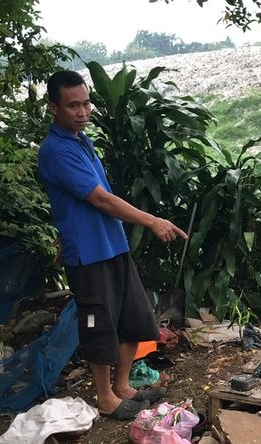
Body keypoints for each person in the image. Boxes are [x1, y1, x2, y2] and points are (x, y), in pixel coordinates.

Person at [38, 70, 187, 420]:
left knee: (133, 316)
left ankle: (123, 387)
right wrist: (152, 221)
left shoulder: (81, 141)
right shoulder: (57, 150)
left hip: (112, 243)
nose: (82, 111)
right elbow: (101, 200)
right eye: (72, 105)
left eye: (86, 102)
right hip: (88, 253)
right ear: (53, 108)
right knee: (99, 323)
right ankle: (105, 397)